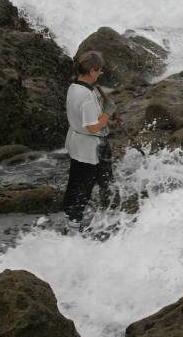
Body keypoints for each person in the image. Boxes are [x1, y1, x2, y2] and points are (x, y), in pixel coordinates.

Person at [63, 50, 117, 231]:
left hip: (77, 141)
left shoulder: (74, 87)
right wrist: (108, 113)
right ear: (92, 71)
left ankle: (79, 216)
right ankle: (74, 224)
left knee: (83, 180)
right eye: (100, 70)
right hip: (89, 147)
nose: (100, 73)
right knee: (84, 185)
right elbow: (93, 127)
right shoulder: (85, 95)